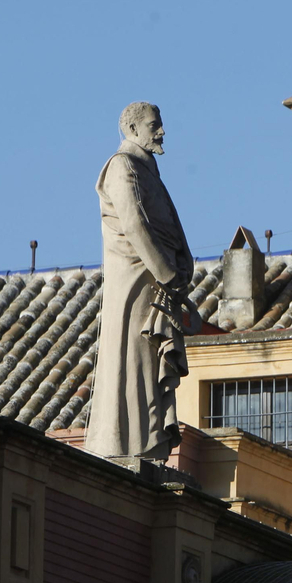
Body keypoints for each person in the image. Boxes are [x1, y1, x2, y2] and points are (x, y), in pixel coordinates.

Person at [84, 102, 195, 461]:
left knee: (149, 363)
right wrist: (169, 274)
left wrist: (183, 268)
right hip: (137, 286)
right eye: (154, 125)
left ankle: (149, 447)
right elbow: (135, 226)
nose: (161, 132)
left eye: (161, 125)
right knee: (133, 358)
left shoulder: (149, 172)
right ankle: (126, 447)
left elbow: (171, 228)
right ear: (131, 130)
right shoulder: (122, 167)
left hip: (159, 287)